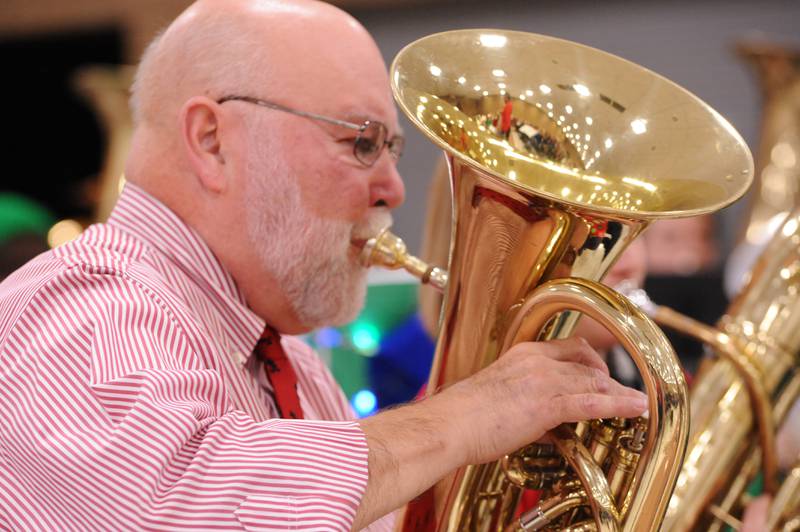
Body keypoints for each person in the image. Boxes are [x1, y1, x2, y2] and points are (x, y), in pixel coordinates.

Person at [0, 1, 648, 530]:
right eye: (360, 142)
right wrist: (467, 414)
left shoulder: (294, 366)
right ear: (211, 140)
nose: (393, 187)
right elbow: (180, 507)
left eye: (390, 149)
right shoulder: (85, 304)